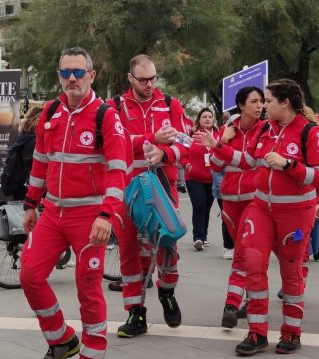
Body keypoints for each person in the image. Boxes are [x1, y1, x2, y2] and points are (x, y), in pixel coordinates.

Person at [20, 47, 127, 359]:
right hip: (52, 213)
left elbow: (119, 171)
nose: (71, 78)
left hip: (90, 215)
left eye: (78, 72)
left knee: (88, 286)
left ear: (91, 76)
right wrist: (30, 205)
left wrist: (107, 215)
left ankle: (92, 358)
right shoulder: (50, 113)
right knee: (29, 275)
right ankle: (62, 339)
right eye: (65, 72)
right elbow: (40, 163)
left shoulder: (106, 116)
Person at [200, 79, 319, 355]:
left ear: (285, 103)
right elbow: (250, 161)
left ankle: (291, 333)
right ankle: (257, 333)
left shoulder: (309, 132)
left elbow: (316, 176)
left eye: (267, 101)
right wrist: (217, 146)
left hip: (295, 215)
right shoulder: (266, 129)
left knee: (291, 273)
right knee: (252, 264)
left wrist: (289, 165)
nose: (263, 106)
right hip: (261, 208)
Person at [107, 54, 188, 338]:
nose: (150, 84)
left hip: (163, 189)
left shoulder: (170, 104)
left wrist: (166, 152)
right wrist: (151, 139)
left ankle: (167, 292)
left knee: (167, 246)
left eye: (154, 78)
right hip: (127, 192)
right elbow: (112, 144)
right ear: (130, 78)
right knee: (129, 252)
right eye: (143, 80)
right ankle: (135, 313)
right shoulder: (114, 106)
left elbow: (188, 147)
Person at [207, 87, 265, 328]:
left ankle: (231, 303)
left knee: (244, 252)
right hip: (230, 198)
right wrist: (222, 140)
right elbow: (215, 163)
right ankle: (252, 297)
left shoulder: (265, 130)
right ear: (241, 105)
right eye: (254, 101)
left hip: (255, 199)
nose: (260, 105)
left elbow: (251, 161)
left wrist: (220, 146)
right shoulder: (227, 130)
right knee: (245, 252)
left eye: (262, 101)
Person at [181, 107, 218, 250]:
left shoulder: (218, 135)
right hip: (194, 178)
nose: (207, 119)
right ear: (199, 120)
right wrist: (188, 166)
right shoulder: (191, 134)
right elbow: (182, 154)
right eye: (204, 117)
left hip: (212, 178)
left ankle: (204, 236)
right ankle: (198, 237)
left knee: (207, 207)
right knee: (199, 205)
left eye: (210, 116)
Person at [11, 106, 43, 200]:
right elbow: (33, 167)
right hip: (29, 189)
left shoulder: (23, 138)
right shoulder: (34, 142)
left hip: (19, 187)